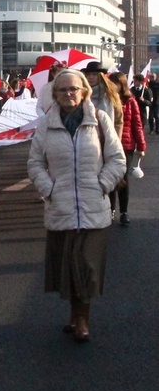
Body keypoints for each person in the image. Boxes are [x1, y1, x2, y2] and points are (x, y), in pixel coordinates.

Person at [27, 69, 125, 342]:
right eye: (63, 90)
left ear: (84, 91)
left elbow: (117, 160)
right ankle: (74, 312)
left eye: (73, 89)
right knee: (68, 265)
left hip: (94, 207)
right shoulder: (46, 124)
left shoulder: (100, 120)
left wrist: (101, 185)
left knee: (86, 265)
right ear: (55, 95)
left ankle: (83, 317)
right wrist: (49, 189)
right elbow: (35, 163)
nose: (68, 94)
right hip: (61, 206)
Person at [108, 72, 147, 227]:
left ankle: (123, 211)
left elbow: (137, 125)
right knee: (109, 178)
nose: (113, 86)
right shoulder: (106, 100)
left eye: (116, 83)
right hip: (108, 144)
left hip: (126, 145)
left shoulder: (130, 101)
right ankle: (110, 210)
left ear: (122, 84)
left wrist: (141, 146)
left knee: (123, 179)